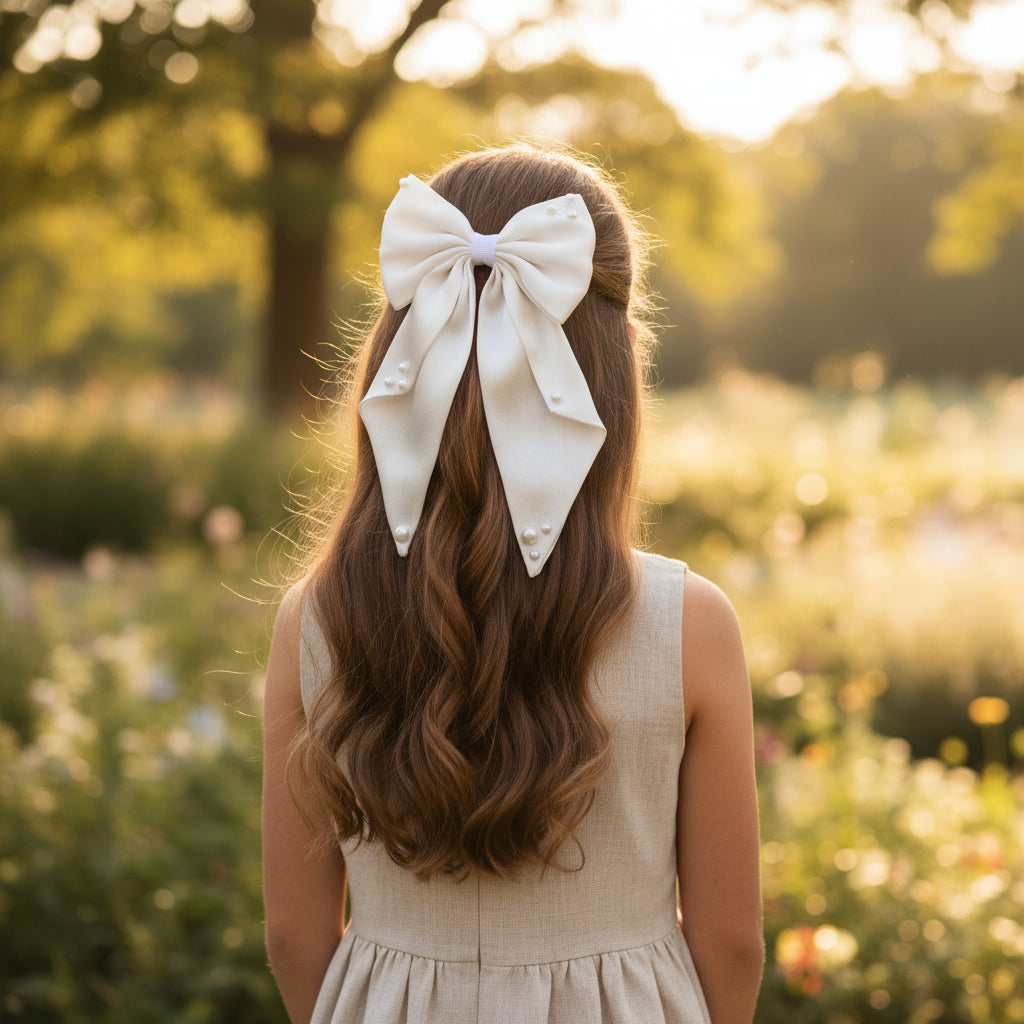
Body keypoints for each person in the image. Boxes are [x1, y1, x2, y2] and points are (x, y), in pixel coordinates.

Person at [262, 143, 764, 1024]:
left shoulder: (316, 618)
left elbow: (295, 937)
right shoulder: (689, 622)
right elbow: (729, 942)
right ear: (616, 365)